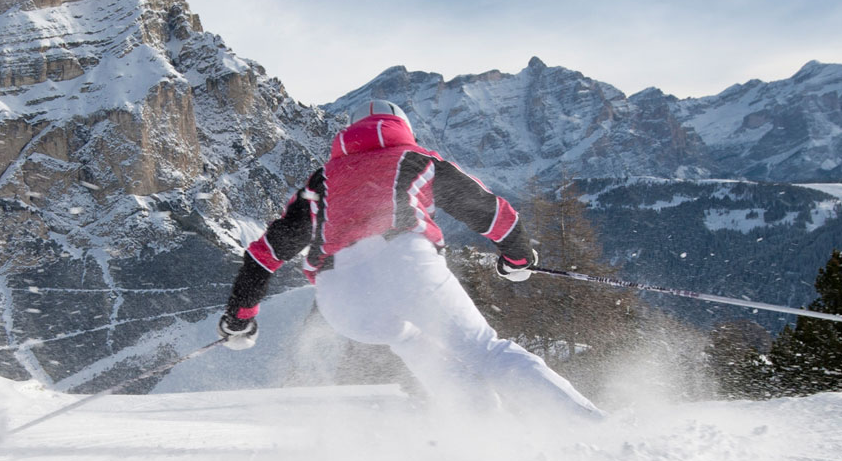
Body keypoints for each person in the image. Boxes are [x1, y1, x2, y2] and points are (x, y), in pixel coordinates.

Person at [216, 101, 604, 418]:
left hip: (340, 297)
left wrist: (240, 319)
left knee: (414, 343)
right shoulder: (415, 158)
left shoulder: (322, 179)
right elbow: (489, 212)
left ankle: (488, 439)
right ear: (402, 126)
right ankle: (590, 429)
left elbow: (264, 255)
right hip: (402, 258)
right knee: (483, 349)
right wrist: (518, 259)